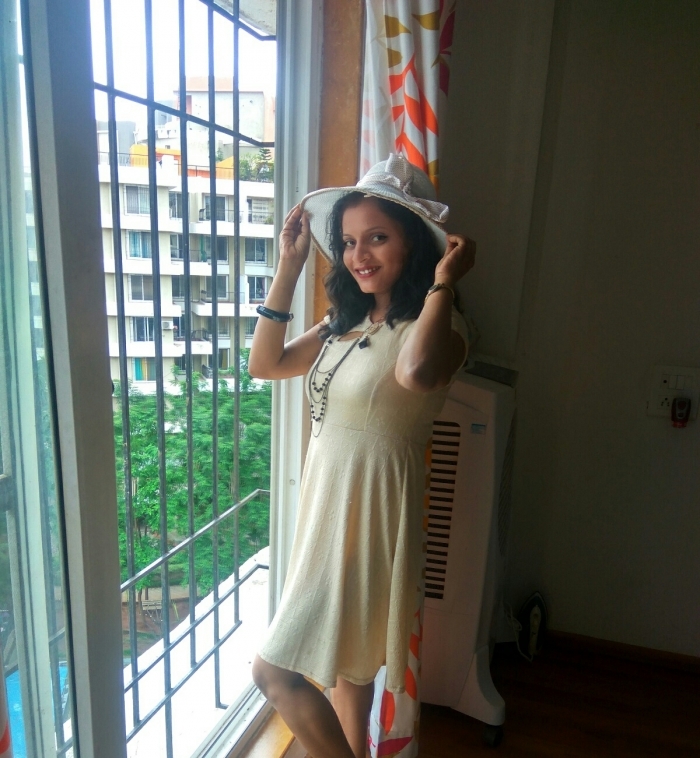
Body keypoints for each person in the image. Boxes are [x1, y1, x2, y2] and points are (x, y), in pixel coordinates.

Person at [249, 154, 476, 758]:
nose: (358, 255)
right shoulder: (343, 323)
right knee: (349, 673)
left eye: (377, 237)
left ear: (415, 243)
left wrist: (444, 283)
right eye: (349, 242)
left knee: (272, 672)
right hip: (326, 512)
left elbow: (415, 372)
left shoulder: (444, 328)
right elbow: (264, 364)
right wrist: (289, 266)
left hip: (375, 514)